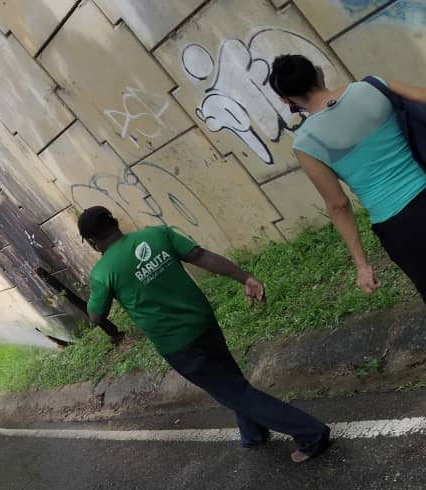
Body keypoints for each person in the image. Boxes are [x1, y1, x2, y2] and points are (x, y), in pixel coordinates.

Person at [79, 206, 331, 463]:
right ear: (114, 223)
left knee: (234, 392)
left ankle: (311, 433)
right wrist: (245, 278)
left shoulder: (103, 273)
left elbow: (96, 316)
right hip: (204, 322)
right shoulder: (157, 235)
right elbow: (200, 255)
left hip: (178, 344)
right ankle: (253, 432)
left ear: (91, 241)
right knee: (231, 379)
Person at [269, 54, 426, 301]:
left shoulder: (306, 144)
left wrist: (362, 265)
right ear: (317, 72)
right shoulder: (372, 86)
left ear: (286, 100)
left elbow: (338, 205)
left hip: (400, 226)